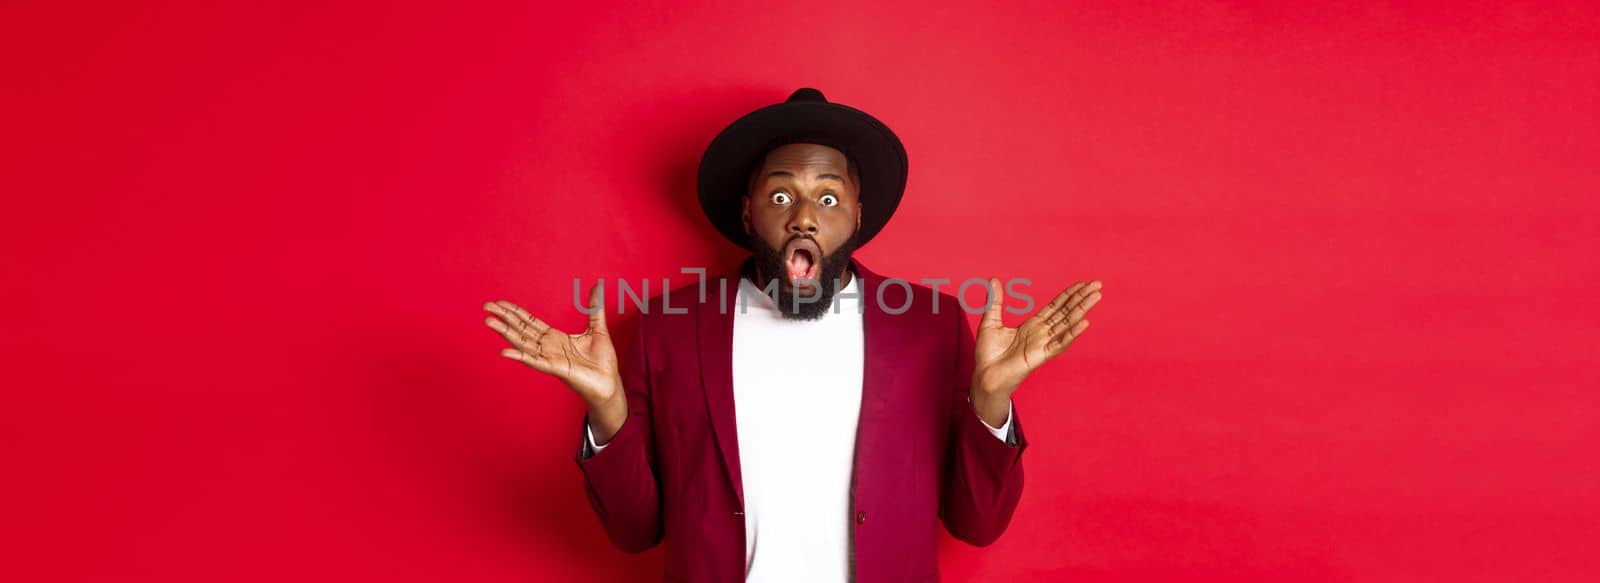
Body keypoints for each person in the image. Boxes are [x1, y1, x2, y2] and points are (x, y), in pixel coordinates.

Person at [482, 88, 1102, 582]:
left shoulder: (929, 326)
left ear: (857, 218)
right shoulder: (664, 329)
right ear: (749, 210)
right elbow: (635, 533)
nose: (804, 215)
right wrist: (607, 412)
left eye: (829, 199)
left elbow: (979, 524)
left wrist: (989, 406)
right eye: (783, 194)